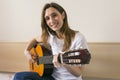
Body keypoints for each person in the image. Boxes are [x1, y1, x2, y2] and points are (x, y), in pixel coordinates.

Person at [13, 2, 89, 80]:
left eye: (54, 15)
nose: (51, 21)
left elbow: (78, 73)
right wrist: (26, 51)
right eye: (47, 18)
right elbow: (35, 39)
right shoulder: (50, 37)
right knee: (19, 76)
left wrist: (64, 62)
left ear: (63, 15)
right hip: (52, 78)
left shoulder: (78, 38)